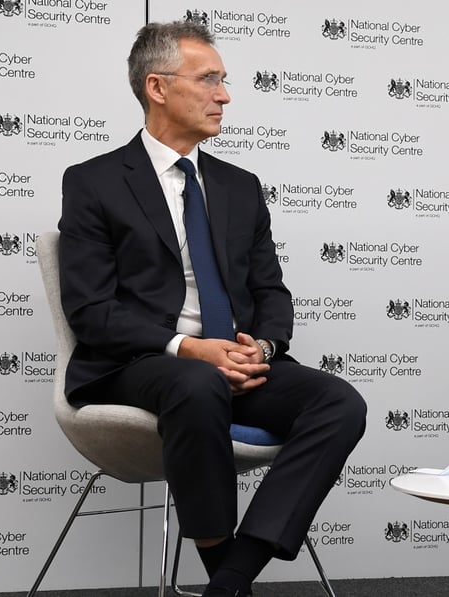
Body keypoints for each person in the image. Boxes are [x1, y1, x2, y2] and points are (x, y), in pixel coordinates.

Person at [57, 22, 366, 596]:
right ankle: (226, 574)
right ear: (157, 86)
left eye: (223, 81)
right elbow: (91, 310)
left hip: (236, 359)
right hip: (141, 362)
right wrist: (190, 348)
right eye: (210, 80)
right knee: (195, 384)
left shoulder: (239, 186)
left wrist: (263, 347)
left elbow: (271, 293)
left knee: (339, 403)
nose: (225, 95)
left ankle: (230, 579)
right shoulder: (94, 182)